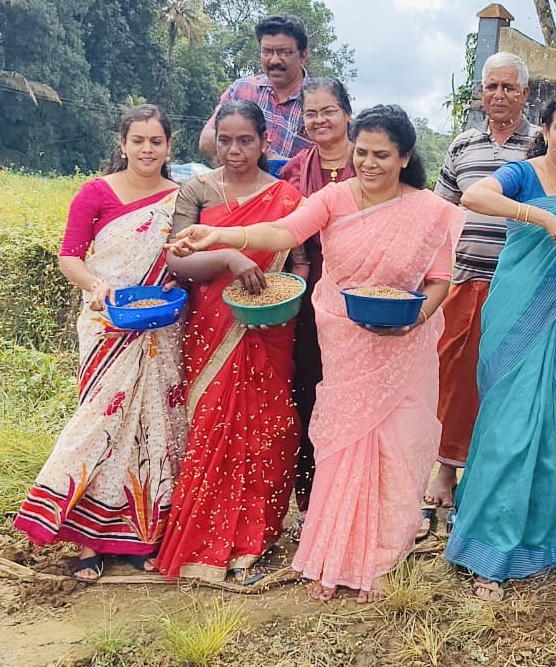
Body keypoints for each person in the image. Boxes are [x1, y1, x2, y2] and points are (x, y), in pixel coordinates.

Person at [169, 105, 464, 603]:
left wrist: (414, 318)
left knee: (395, 446)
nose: (368, 163)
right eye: (361, 153)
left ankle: (380, 560)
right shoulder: (334, 197)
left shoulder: (429, 211)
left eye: (382, 155)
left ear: (404, 157)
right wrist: (222, 235)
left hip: (405, 342)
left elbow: (439, 280)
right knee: (342, 443)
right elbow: (284, 232)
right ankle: (332, 557)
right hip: (345, 337)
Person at [443, 93, 556, 601]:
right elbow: (474, 197)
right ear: (545, 130)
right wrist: (539, 217)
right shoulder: (523, 173)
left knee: (551, 425)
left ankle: (542, 541)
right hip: (514, 310)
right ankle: (488, 547)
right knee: (508, 427)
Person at [14, 105, 186, 583]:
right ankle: (86, 541)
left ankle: (142, 538)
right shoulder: (95, 193)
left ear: (169, 146)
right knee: (100, 424)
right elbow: (70, 258)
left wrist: (178, 281)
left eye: (156, 141)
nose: (147, 150)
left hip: (161, 326)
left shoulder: (181, 198)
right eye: (138, 141)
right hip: (107, 323)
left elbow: (188, 255)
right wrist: (96, 286)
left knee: (155, 427)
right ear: (122, 144)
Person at [151, 100, 303, 583]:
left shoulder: (286, 196)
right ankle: (204, 543)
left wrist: (284, 303)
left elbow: (298, 260)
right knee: (214, 425)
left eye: (245, 140)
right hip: (213, 324)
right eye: (225, 140)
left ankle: (253, 540)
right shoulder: (197, 189)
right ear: (214, 140)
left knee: (269, 427)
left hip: (270, 325)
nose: (234, 150)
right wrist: (229, 259)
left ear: (264, 142)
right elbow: (177, 260)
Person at [424, 52, 539, 510]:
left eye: (509, 87)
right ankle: (446, 471)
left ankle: (494, 480)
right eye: (492, 86)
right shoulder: (462, 146)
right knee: (455, 378)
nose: (499, 95)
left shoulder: (542, 145)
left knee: (508, 381)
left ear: (525, 94)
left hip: (520, 285)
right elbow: (440, 214)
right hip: (466, 280)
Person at [280, 77, 357, 520]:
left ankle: (351, 496)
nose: (319, 120)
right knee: (308, 392)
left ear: (347, 113)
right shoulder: (294, 171)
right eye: (311, 113)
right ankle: (311, 499)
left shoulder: (369, 163)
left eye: (329, 111)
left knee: (353, 394)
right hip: (309, 299)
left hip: (360, 297)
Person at [199, 13, 315, 161]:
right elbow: (206, 141)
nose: (274, 60)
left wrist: (279, 164)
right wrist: (253, 150)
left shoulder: (320, 103)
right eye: (267, 52)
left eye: (284, 52)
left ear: (303, 56)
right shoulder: (242, 90)